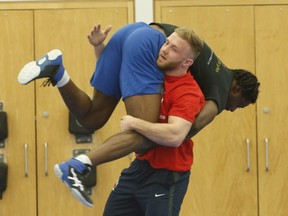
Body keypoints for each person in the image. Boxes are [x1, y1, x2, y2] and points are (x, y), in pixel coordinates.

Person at [18, 22, 260, 207]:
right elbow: (188, 127)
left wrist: (99, 49)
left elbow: (125, 71)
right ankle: (78, 166)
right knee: (145, 131)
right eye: (238, 105)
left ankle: (58, 71)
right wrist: (167, 130)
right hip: (148, 42)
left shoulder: (211, 68)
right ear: (237, 89)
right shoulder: (220, 88)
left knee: (91, 118)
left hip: (129, 33)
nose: (231, 109)